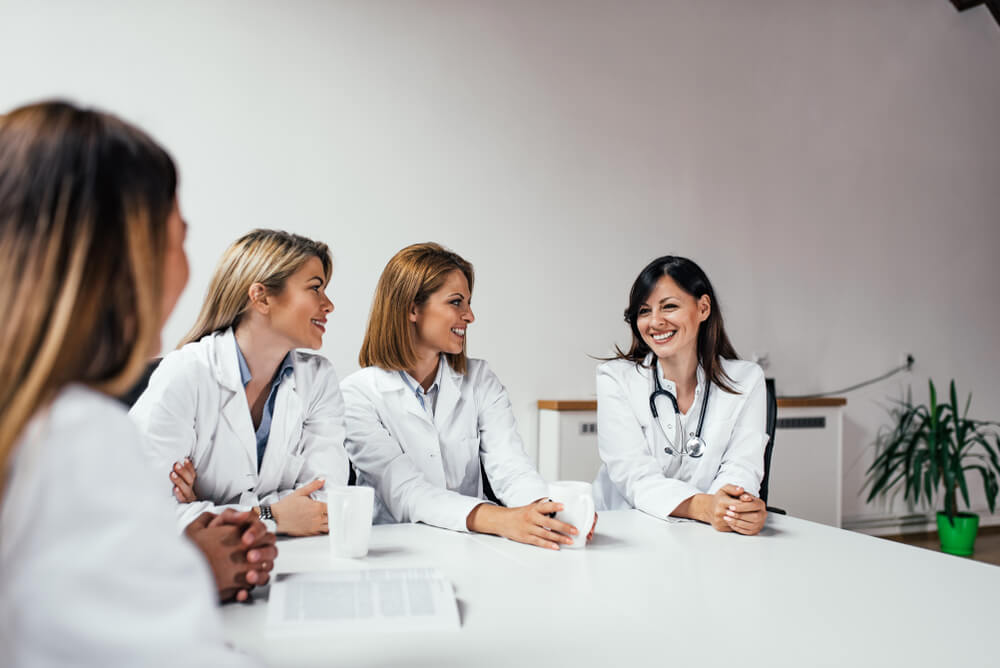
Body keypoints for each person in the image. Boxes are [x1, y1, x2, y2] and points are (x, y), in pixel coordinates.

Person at [0, 100, 264, 665]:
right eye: (178, 238)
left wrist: (168, 567)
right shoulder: (72, 435)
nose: (187, 268)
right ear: (122, 257)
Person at [341, 243, 593, 550]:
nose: (469, 316)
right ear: (411, 308)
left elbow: (511, 466)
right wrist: (503, 520)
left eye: (468, 303)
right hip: (398, 549)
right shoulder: (358, 394)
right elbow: (406, 492)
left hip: (473, 547)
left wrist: (546, 512)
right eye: (456, 302)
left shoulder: (480, 379)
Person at [130, 229, 349, 536]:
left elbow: (326, 502)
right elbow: (142, 508)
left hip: (296, 559)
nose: (328, 305)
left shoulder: (318, 379)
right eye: (315, 288)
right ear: (261, 297)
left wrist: (207, 509)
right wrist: (270, 515)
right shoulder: (186, 373)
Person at [593, 255, 769, 535]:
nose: (655, 322)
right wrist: (707, 508)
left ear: (703, 308)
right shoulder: (616, 378)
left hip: (711, 535)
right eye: (643, 311)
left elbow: (742, 467)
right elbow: (635, 477)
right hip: (628, 533)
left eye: (669, 307)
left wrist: (736, 507)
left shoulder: (746, 380)